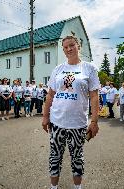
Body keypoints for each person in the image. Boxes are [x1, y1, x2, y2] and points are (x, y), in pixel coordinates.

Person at [42, 35, 100, 189]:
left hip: (78, 124)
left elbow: (94, 97)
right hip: (57, 123)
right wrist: (45, 116)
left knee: (77, 158)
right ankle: (53, 187)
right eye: (65, 47)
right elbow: (50, 94)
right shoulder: (58, 69)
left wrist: (94, 122)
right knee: (55, 156)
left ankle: (77, 187)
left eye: (71, 45)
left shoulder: (89, 68)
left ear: (78, 46)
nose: (69, 49)